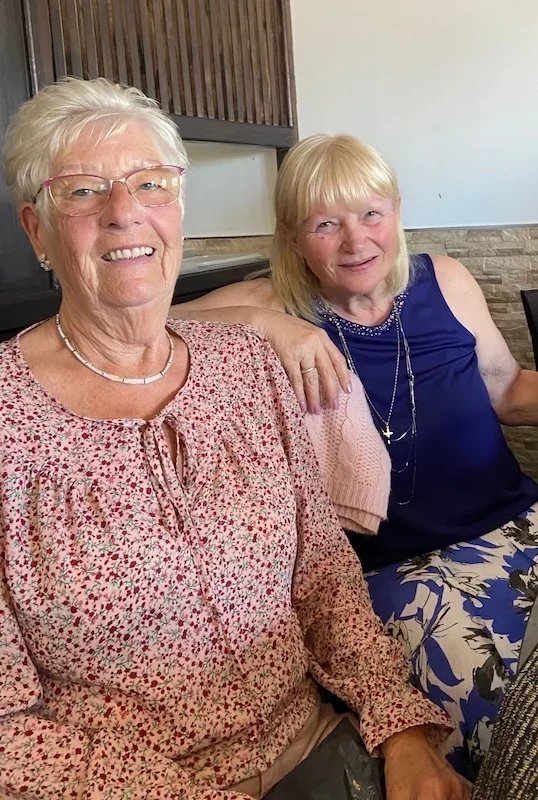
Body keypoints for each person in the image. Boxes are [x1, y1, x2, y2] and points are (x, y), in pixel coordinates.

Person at [0, 78, 469, 799]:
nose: (125, 211)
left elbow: (324, 578)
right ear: (37, 229)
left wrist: (402, 728)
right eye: (83, 191)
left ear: (178, 207)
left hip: (316, 744)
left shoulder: (246, 367)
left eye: (150, 183)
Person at [171, 133, 538, 779]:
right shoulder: (272, 304)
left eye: (371, 213)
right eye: (325, 224)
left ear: (396, 211)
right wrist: (266, 324)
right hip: (397, 573)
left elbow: (508, 390)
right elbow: (144, 328)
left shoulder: (446, 280)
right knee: (510, 720)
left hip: (518, 523)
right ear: (293, 239)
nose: (355, 240)